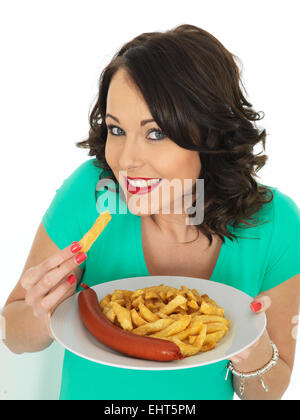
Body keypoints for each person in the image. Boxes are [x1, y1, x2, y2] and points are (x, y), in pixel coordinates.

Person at [3, 23, 300, 400]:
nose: (125, 160)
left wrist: (252, 352)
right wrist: (44, 312)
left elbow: (268, 392)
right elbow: (12, 334)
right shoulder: (91, 192)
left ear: (208, 135)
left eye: (155, 133)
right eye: (116, 129)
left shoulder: (276, 224)